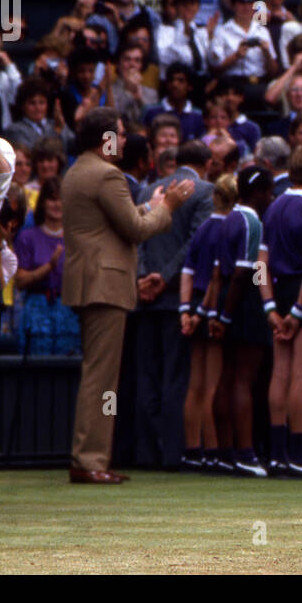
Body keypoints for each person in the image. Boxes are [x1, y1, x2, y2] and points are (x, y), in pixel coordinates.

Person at [61, 108, 193, 483]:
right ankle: (90, 461)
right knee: (102, 379)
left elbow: (116, 219)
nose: (124, 140)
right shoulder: (107, 173)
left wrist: (152, 205)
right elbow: (135, 229)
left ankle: (91, 458)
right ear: (105, 138)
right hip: (106, 283)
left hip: (90, 281)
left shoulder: (79, 169)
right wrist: (167, 208)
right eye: (119, 134)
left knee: (98, 376)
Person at [133, 141, 214, 468]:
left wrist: (143, 278)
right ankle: (173, 454)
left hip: (144, 298)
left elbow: (135, 238)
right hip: (177, 300)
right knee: (176, 379)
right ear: (207, 163)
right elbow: (195, 244)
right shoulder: (206, 192)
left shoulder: (147, 190)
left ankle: (146, 453)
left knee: (147, 377)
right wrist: (164, 279)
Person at [255, 143, 302, 477]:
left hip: (279, 291)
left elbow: (261, 263)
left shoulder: (272, 209)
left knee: (281, 373)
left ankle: (277, 455)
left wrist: (270, 305)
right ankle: (299, 456)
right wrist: (299, 312)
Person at [206, 166, 275, 477]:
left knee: (228, 375)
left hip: (228, 306)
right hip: (244, 306)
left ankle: (224, 452)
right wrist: (227, 314)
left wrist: (216, 313)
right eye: (268, 192)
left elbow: (219, 273)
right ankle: (245, 453)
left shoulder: (229, 218)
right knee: (243, 379)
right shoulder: (250, 221)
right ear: (257, 193)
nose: (271, 198)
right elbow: (242, 273)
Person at [178, 172, 235, 470]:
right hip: (213, 309)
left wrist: (185, 311)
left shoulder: (202, 230)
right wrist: (203, 312)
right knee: (213, 383)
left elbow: (187, 271)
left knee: (196, 384)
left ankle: (192, 449)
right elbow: (216, 276)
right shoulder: (230, 229)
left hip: (196, 307)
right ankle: (213, 451)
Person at [13, 176, 80, 356]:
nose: (57, 204)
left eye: (61, 199)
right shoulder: (28, 237)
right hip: (37, 311)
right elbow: (20, 281)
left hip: (68, 311)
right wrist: (49, 267)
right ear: (43, 202)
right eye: (52, 199)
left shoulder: (77, 238)